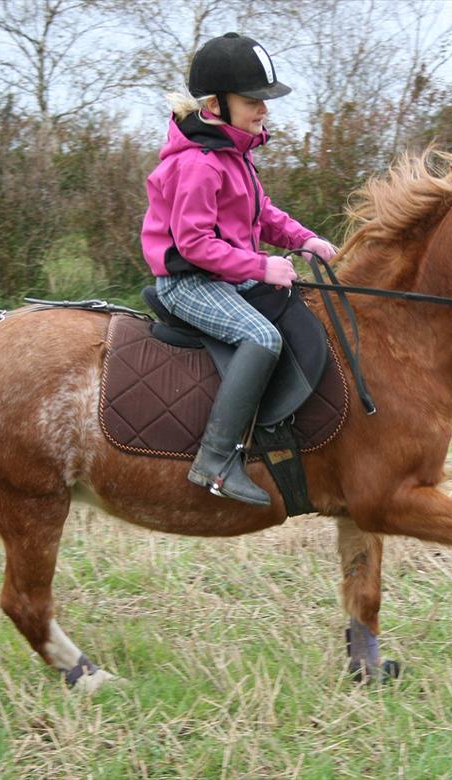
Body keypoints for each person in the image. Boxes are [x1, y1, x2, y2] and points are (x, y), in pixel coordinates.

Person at [141, 32, 337, 507]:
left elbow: (262, 213)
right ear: (214, 104)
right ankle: (216, 460)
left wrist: (304, 239)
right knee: (262, 337)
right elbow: (193, 244)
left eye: (265, 100)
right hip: (189, 282)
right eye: (253, 100)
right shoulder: (200, 164)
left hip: (224, 276)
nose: (263, 109)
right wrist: (262, 266)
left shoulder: (236, 156)